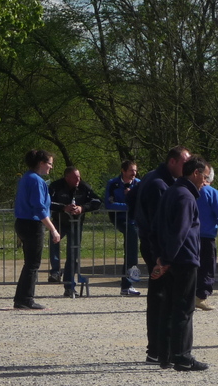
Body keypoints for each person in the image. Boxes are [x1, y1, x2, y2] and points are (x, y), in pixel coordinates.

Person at [133, 146, 191, 366]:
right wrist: (162, 257)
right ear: (172, 161)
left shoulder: (153, 178)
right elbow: (160, 223)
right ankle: (158, 350)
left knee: (160, 296)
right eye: (185, 163)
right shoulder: (159, 184)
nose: (188, 167)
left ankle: (158, 351)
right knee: (161, 298)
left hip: (152, 245)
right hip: (156, 248)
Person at [151, 156, 210, 371]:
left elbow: (156, 227)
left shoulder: (170, 192)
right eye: (205, 176)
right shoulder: (186, 196)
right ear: (195, 173)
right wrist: (167, 259)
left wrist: (160, 257)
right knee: (184, 309)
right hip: (183, 260)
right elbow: (181, 231)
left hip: (170, 258)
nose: (205, 181)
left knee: (168, 307)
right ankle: (182, 356)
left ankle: (165, 354)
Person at [13, 150, 61, 310]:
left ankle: (21, 298)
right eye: (49, 164)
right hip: (32, 224)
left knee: (29, 263)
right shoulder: (36, 180)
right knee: (33, 264)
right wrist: (53, 229)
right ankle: (26, 299)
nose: (51, 167)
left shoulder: (27, 177)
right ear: (41, 163)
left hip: (22, 222)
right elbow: (39, 208)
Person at [48, 166, 102, 297]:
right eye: (75, 177)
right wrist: (63, 208)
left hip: (76, 224)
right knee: (54, 245)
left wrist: (82, 208)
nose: (78, 179)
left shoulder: (84, 187)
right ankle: (55, 272)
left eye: (79, 177)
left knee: (73, 255)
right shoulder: (55, 186)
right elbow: (46, 202)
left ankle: (69, 286)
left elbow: (97, 201)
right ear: (67, 178)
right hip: (58, 222)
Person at [196, 168, 218, 311]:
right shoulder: (212, 192)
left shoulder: (185, 190)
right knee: (206, 268)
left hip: (187, 236)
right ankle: (201, 297)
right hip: (206, 236)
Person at [104, 160, 141, 296]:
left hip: (135, 220)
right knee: (131, 239)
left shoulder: (138, 183)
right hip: (119, 218)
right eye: (131, 170)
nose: (134, 173)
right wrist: (128, 206)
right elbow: (109, 203)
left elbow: (143, 201)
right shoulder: (113, 183)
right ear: (123, 171)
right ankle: (127, 284)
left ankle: (128, 284)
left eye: (135, 170)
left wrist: (132, 197)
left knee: (134, 248)